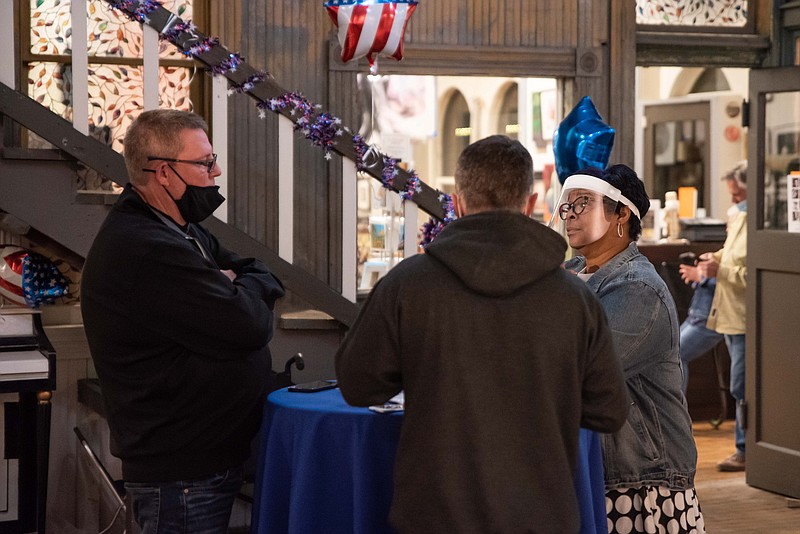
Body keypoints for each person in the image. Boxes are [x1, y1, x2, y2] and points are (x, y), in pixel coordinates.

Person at [336, 135, 629, 534]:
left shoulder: (408, 285)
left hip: (435, 515)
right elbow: (608, 409)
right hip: (541, 514)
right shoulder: (575, 300)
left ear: (457, 203)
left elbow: (357, 385)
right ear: (530, 204)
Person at [81, 109, 285, 533]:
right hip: (182, 473)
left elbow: (258, 270)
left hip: (205, 459)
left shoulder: (181, 227)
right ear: (164, 173)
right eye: (205, 162)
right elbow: (249, 324)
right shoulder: (146, 246)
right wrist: (234, 287)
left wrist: (236, 283)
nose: (217, 171)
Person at [560, 164, 705, 534]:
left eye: (584, 204)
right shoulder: (573, 270)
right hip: (602, 467)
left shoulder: (639, 289)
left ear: (622, 213)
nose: (571, 215)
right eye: (567, 205)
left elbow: (582, 369)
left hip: (644, 478)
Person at [680, 161, 748, 472]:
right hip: (729, 313)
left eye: (737, 196)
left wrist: (719, 270)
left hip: (743, 315)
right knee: (739, 385)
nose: (733, 202)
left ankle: (745, 450)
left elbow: (753, 272)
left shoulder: (756, 223)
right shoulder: (740, 219)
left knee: (742, 386)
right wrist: (714, 258)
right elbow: (730, 254)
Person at [679, 275, 724, 395]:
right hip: (698, 314)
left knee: (675, 355)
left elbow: (736, 280)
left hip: (712, 317)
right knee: (670, 352)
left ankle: (676, 410)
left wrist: (702, 276)